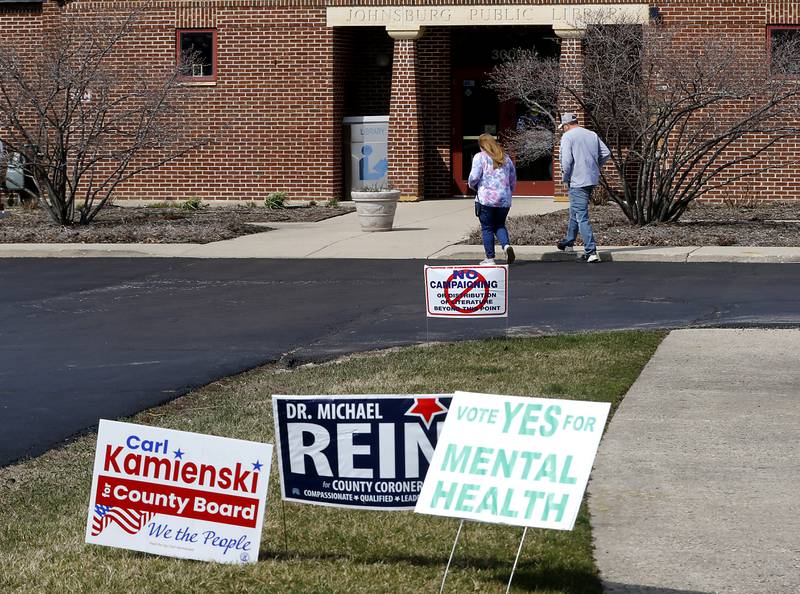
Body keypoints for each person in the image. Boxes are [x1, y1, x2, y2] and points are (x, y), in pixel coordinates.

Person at [557, 113, 611, 263]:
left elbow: (566, 161)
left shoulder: (568, 137)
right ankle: (568, 241)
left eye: (563, 127)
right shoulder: (591, 134)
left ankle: (591, 251)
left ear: (567, 125)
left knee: (581, 215)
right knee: (575, 210)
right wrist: (595, 167)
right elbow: (606, 153)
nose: (563, 130)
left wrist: (565, 177)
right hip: (591, 178)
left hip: (577, 179)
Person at [468, 133, 516, 265]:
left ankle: (490, 258)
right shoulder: (505, 158)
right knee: (500, 225)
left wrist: (472, 186)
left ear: (482, 145)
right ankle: (506, 246)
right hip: (504, 199)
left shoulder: (480, 157)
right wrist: (509, 191)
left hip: (486, 199)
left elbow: (474, 177)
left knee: (487, 228)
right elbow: (512, 179)